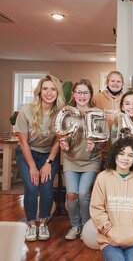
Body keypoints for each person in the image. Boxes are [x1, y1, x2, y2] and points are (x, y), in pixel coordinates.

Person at [15, 74, 65, 241]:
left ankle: (43, 223)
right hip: (27, 153)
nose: (49, 93)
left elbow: (58, 141)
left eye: (53, 89)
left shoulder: (60, 113)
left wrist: (48, 163)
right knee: (31, 185)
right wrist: (32, 166)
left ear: (57, 92)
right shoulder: (26, 111)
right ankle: (30, 224)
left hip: (48, 154)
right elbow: (23, 142)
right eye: (45, 89)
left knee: (46, 188)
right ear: (39, 91)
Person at [59, 79, 109, 240]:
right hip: (71, 160)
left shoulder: (97, 113)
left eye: (85, 92)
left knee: (83, 194)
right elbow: (62, 137)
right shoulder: (66, 114)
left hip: (91, 161)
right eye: (78, 92)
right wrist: (63, 145)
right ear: (73, 94)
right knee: (72, 194)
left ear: (90, 95)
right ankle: (75, 226)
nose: (82, 96)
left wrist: (96, 145)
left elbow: (104, 139)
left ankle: (87, 226)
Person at [90, 137, 133, 261]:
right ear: (115, 155)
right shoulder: (103, 177)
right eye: (122, 154)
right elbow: (97, 209)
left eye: (130, 155)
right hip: (108, 239)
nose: (125, 158)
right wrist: (109, 231)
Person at [93, 71, 125, 169]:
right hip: (101, 148)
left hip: (120, 149)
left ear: (122, 84)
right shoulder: (96, 98)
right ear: (107, 82)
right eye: (113, 81)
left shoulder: (126, 99)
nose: (115, 83)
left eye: (118, 81)